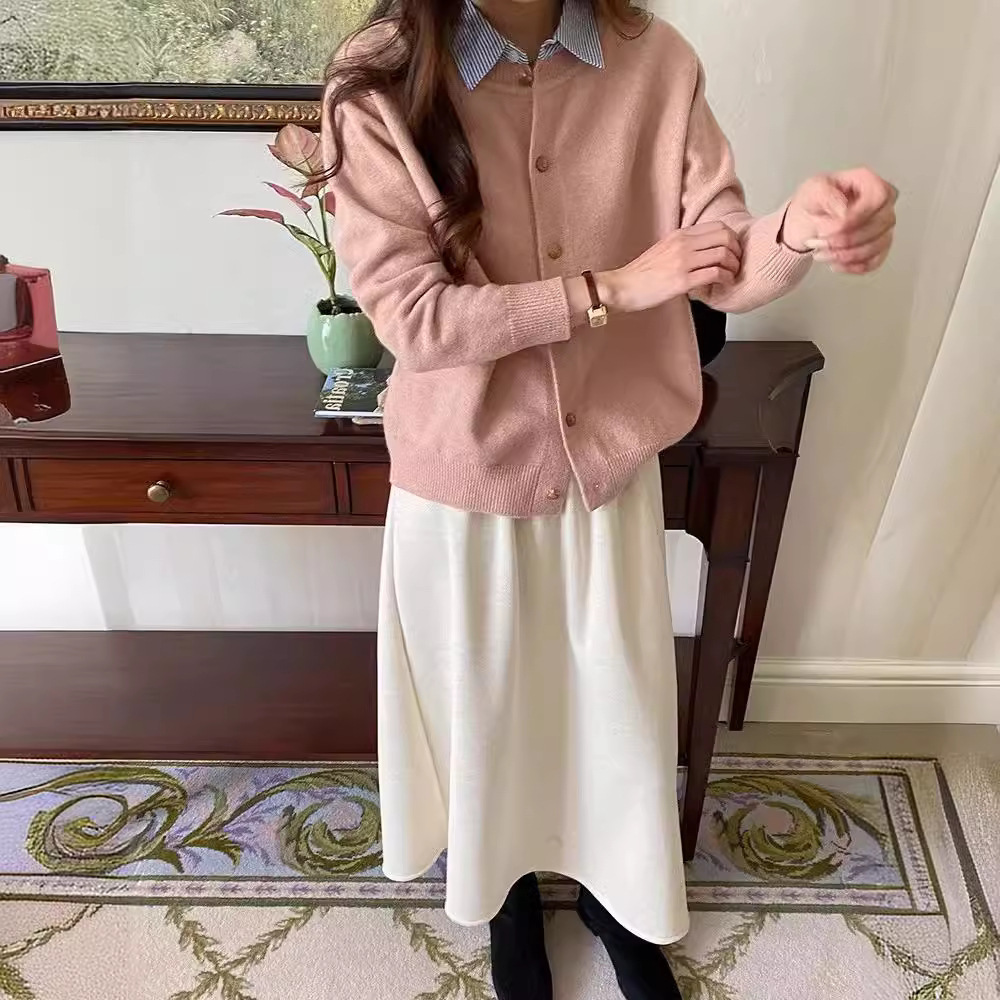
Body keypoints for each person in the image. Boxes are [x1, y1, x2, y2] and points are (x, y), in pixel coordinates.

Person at [322, 2, 897, 997]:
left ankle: (616, 899)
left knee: (615, 716)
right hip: (466, 476)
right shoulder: (379, 79)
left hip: (609, 468)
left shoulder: (654, 59)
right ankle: (507, 905)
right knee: (488, 713)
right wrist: (609, 289)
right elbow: (414, 319)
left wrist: (795, 230)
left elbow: (719, 252)